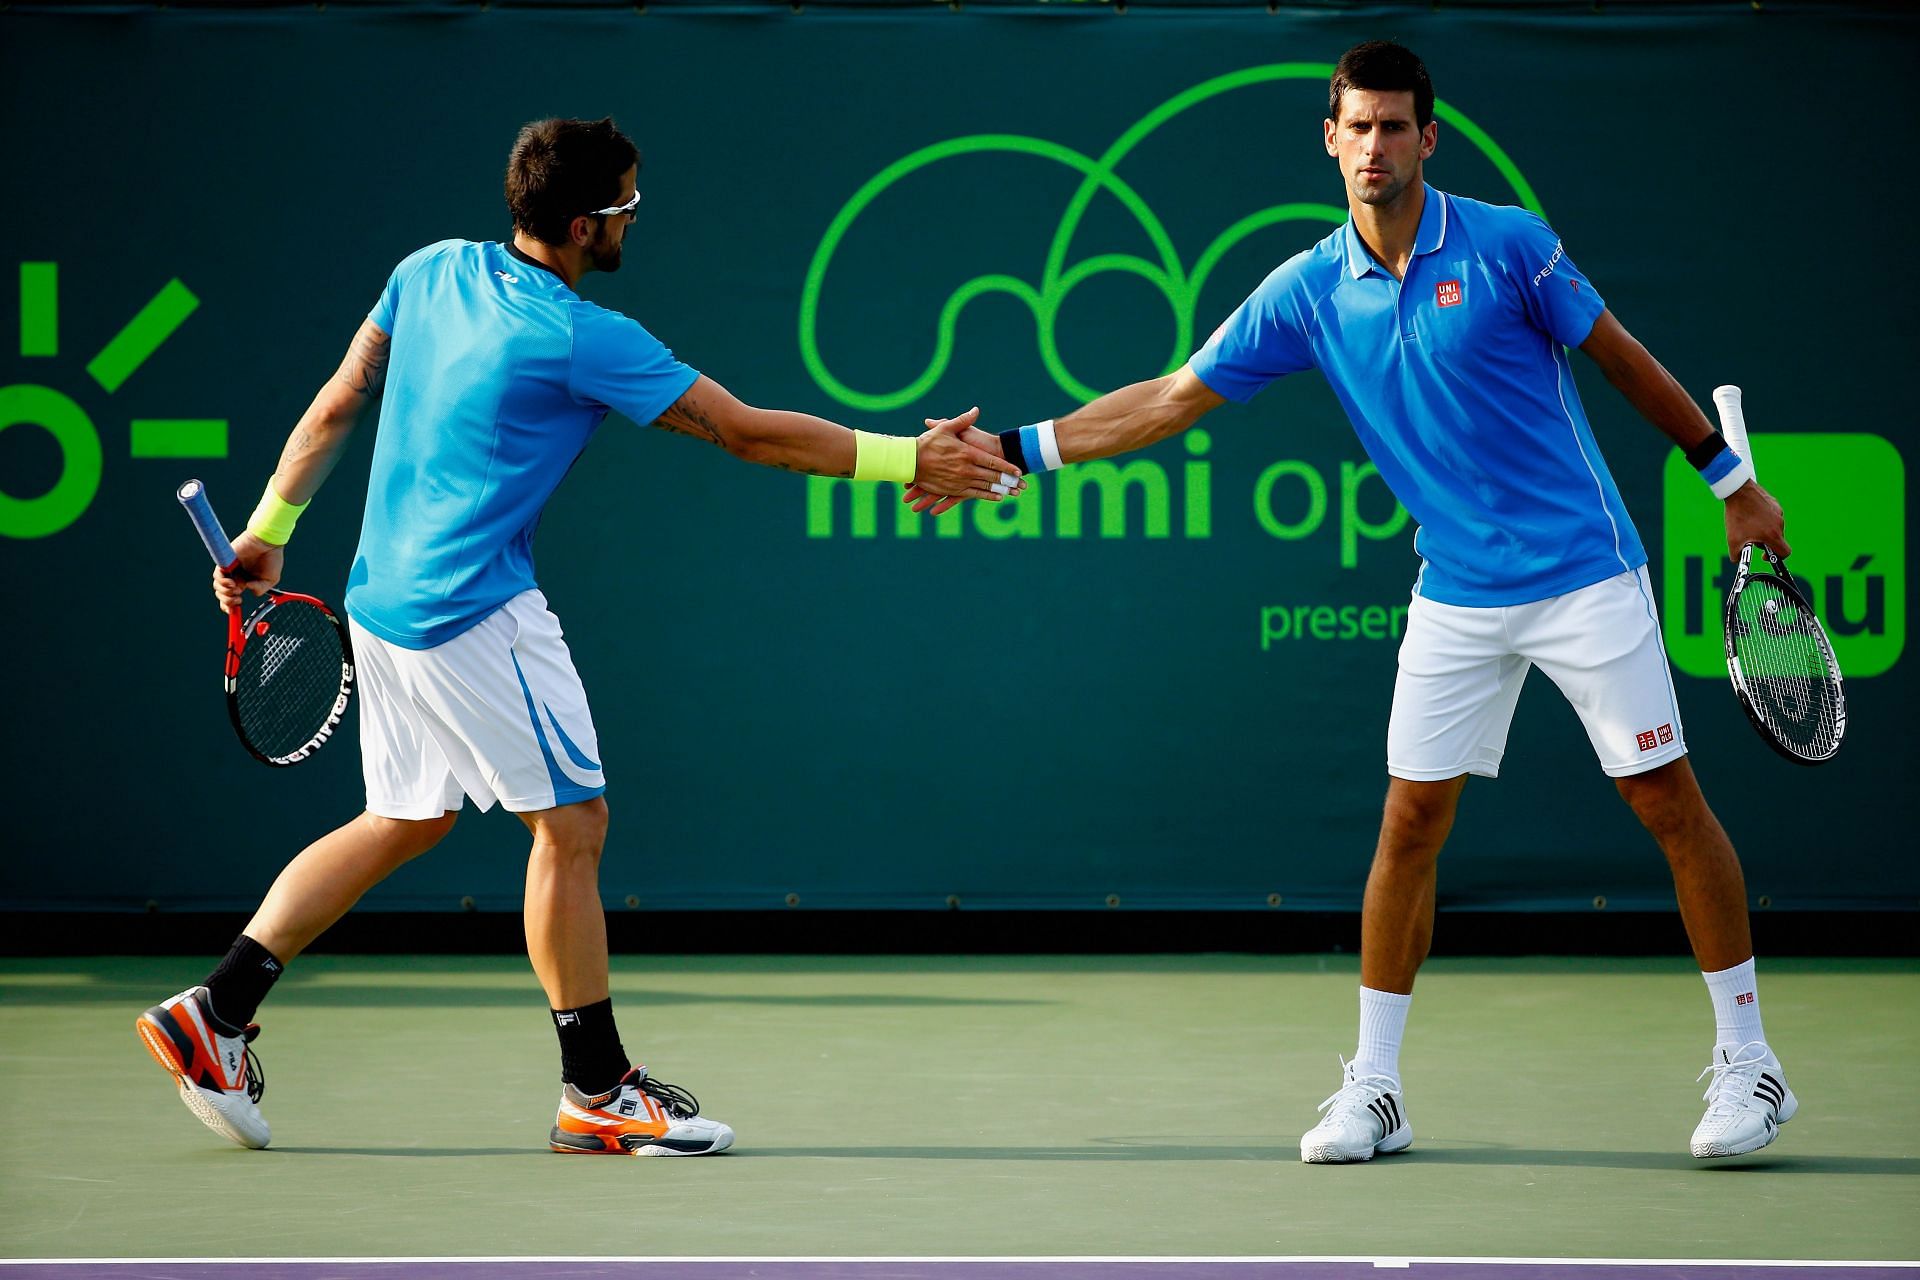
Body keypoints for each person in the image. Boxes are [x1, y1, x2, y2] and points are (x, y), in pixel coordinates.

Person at [919, 41, 1796, 1162]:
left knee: (1668, 804)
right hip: (1457, 590)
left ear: (1429, 138)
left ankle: (1750, 1064)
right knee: (1408, 824)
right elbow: (1170, 399)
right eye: (1358, 127)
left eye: (1396, 127)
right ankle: (1376, 1087)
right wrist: (1007, 450)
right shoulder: (1306, 289)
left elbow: (1620, 357)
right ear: (1329, 141)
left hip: (1585, 573)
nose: (1376, 146)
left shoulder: (1510, 248)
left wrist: (1731, 482)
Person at [135, 116, 1021, 1157]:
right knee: (573, 826)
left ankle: (218, 1010)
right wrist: (903, 458)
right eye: (627, 208)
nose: (634, 222)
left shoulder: (426, 271)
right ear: (582, 222)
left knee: (406, 819)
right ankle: (597, 1088)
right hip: (474, 613)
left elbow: (336, 407)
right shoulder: (579, 335)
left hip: (380, 603)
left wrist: (267, 532)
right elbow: (746, 432)